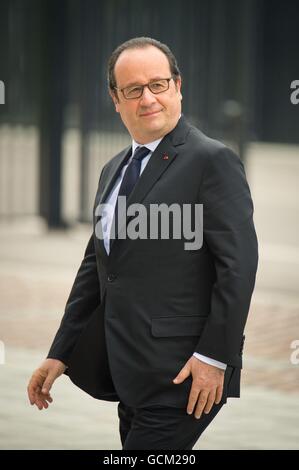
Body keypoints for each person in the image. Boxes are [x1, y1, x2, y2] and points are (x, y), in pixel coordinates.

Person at [27, 37, 258, 450]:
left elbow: (237, 270)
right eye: (134, 89)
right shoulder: (113, 169)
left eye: (158, 84)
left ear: (178, 86)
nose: (148, 98)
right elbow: (95, 271)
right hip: (128, 371)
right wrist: (60, 352)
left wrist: (213, 358)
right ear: (116, 98)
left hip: (183, 373)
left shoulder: (212, 161)